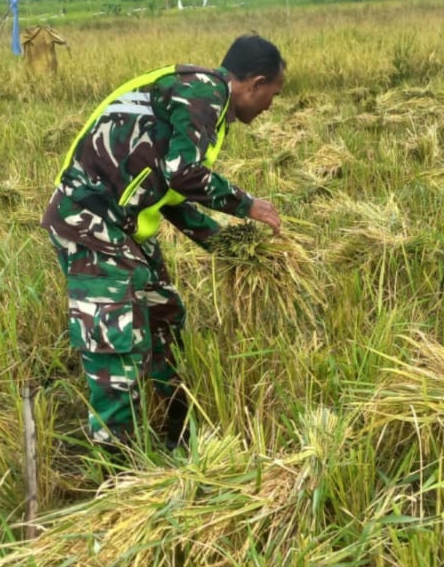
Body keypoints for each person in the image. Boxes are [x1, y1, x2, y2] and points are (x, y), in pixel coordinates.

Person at [42, 34, 285, 450]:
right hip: (90, 222)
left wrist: (230, 247)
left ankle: (173, 431)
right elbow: (182, 173)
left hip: (125, 224)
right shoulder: (204, 93)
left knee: (164, 314)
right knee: (117, 343)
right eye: (273, 95)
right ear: (255, 83)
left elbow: (169, 193)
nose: (270, 107)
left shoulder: (205, 102)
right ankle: (118, 467)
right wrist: (248, 205)